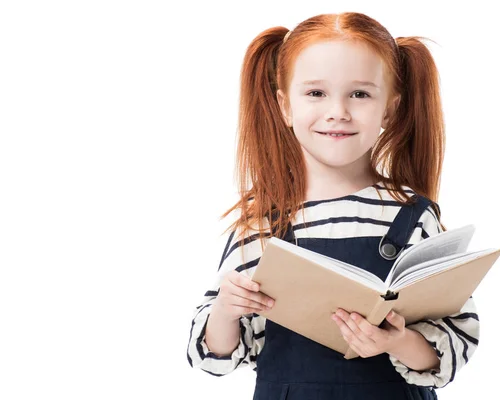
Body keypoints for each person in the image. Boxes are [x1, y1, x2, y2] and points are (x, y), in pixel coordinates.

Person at [187, 11, 479, 400]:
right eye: (316, 93)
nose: (337, 111)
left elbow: (454, 342)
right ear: (285, 106)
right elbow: (214, 356)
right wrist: (226, 309)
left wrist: (396, 341)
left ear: (389, 110)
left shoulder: (412, 215)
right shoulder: (262, 222)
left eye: (359, 94)